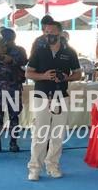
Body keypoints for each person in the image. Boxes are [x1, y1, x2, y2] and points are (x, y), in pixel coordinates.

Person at [26, 17, 81, 181]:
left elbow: (78, 74)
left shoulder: (69, 52)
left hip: (61, 97)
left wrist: (67, 77)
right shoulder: (38, 51)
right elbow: (28, 73)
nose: (48, 34)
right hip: (41, 95)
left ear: (60, 33)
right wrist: (43, 76)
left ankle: (53, 165)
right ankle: (34, 168)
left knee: (57, 134)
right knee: (39, 134)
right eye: (46, 32)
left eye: (52, 32)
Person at [0, 27, 28, 153]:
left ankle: (13, 143)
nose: (6, 41)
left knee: (14, 116)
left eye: (8, 39)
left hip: (14, 86)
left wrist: (12, 60)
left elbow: (24, 62)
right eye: (4, 38)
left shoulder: (20, 50)